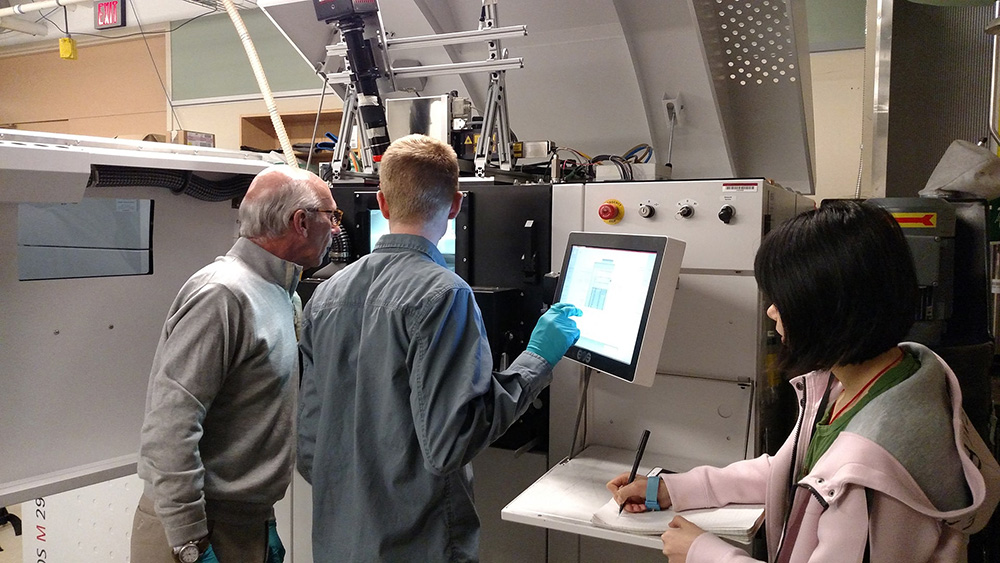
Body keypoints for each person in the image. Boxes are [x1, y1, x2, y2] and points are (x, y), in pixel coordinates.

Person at [608, 200, 1000, 562]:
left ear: (830, 309)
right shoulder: (888, 375)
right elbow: (791, 472)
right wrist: (674, 489)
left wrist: (703, 552)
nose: (772, 311)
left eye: (785, 298)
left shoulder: (869, 469)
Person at [297, 134, 582, 562]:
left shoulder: (327, 292)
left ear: (383, 202)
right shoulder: (445, 293)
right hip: (416, 542)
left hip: (338, 540)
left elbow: (309, 448)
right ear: (455, 203)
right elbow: (449, 445)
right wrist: (537, 359)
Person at [130, 165, 340, 563]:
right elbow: (171, 425)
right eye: (331, 217)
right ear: (300, 222)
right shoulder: (222, 295)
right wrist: (190, 542)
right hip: (199, 531)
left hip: (244, 524)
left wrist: (263, 521)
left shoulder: (281, 295)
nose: (334, 229)